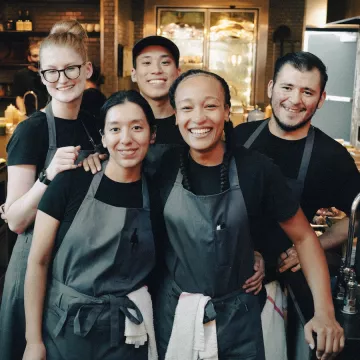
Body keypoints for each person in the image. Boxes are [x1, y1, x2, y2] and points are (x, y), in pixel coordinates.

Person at [154, 69, 344, 360]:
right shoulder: (161, 166)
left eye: (211, 106)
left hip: (240, 317)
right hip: (178, 312)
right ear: (176, 115)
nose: (199, 118)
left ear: (227, 111)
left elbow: (304, 238)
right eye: (187, 107)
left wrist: (325, 313)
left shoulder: (256, 169)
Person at [23, 90, 159, 360]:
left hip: (125, 335)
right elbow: (38, 262)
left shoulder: (159, 193)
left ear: (152, 134)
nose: (126, 139)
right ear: (103, 137)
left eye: (137, 128)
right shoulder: (70, 183)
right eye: (115, 129)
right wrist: (33, 341)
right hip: (63, 330)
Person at [0, 20, 101, 360]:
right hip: (35, 270)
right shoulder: (31, 131)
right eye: (52, 72)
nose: (63, 79)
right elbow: (14, 220)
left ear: (86, 69)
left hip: (80, 271)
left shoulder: (93, 124)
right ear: (42, 77)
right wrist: (49, 174)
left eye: (70, 68)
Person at [234, 51, 360, 320]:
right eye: (287, 88)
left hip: (287, 285)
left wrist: (314, 245)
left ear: (321, 99)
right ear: (271, 88)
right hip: (229, 277)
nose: (294, 100)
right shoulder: (239, 138)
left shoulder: (331, 156)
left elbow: (357, 216)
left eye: (307, 92)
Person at [12, 40, 49, 115]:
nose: (38, 59)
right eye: (35, 56)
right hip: (29, 115)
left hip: (47, 114)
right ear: (29, 58)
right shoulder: (21, 75)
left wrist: (46, 110)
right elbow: (19, 96)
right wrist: (23, 112)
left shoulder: (50, 74)